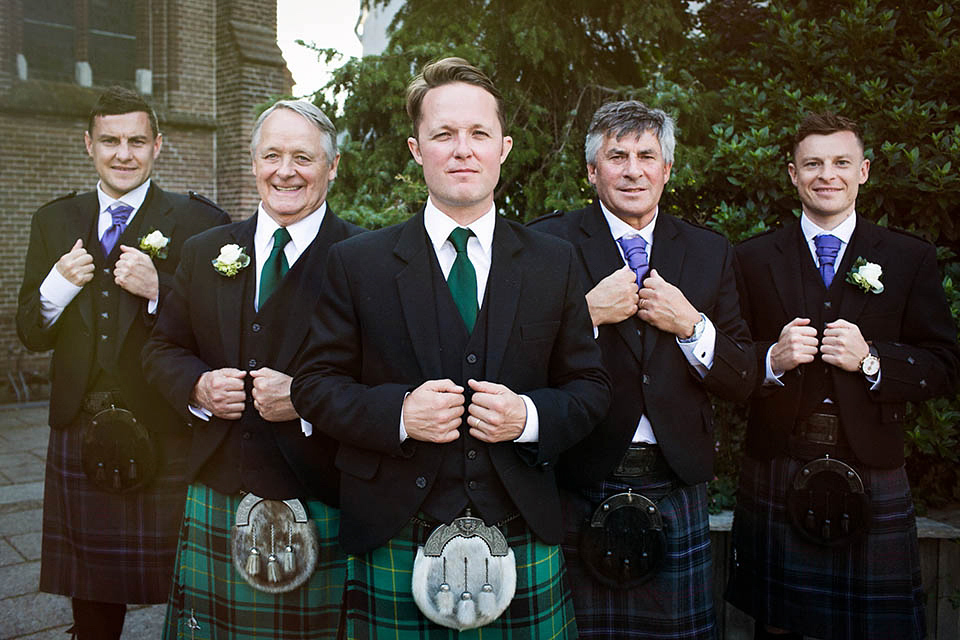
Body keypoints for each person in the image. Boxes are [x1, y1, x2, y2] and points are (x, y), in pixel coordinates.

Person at [290, 57, 610, 639]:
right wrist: (399, 414)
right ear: (417, 150)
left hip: (519, 530)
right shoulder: (357, 264)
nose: (462, 149)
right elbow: (313, 386)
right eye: (443, 134)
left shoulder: (552, 262)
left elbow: (590, 389)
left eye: (478, 134)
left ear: (503, 147)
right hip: (396, 531)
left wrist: (529, 417)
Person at [726, 112, 960, 640]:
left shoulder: (908, 256)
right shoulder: (752, 257)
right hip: (778, 462)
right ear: (792, 173)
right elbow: (727, 362)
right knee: (779, 627)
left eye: (840, 162)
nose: (825, 174)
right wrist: (770, 359)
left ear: (864, 171)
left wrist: (873, 359)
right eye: (812, 163)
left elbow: (944, 366)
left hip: (872, 463)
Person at [529, 100, 753, 639]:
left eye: (647, 156)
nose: (633, 170)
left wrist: (692, 325)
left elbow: (743, 377)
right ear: (591, 170)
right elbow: (510, 362)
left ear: (667, 169)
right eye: (617, 155)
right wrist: (585, 315)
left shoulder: (708, 250)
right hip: (579, 479)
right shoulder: (545, 244)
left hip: (675, 482)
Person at [142, 100, 363, 638]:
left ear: (332, 167)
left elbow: (386, 383)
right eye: (272, 155)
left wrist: (308, 400)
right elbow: (160, 350)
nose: (285, 171)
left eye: (303, 157)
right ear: (254, 162)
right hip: (217, 492)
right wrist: (197, 385)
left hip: (321, 498)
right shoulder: (206, 250)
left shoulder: (365, 257)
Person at [15, 86, 230, 639]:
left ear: (158, 145)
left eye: (137, 140)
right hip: (80, 427)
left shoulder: (198, 222)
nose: (123, 153)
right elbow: (30, 333)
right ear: (89, 144)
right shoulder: (54, 221)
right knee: (91, 597)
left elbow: (221, 333)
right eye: (109, 140)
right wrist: (55, 291)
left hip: (165, 427)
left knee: (187, 588)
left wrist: (162, 292)